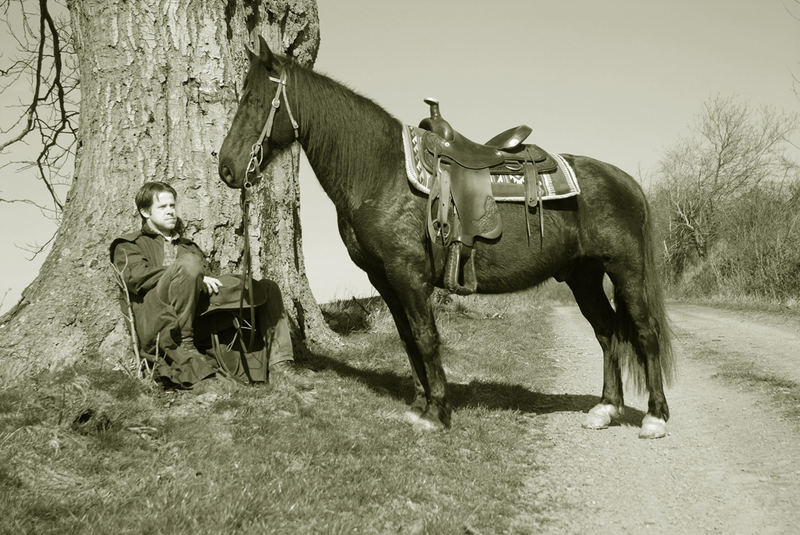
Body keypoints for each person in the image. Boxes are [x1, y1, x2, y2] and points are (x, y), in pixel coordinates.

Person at [109, 181, 309, 388]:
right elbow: (136, 278)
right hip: (162, 317)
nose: (170, 212)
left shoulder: (189, 247)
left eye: (172, 206)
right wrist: (189, 272)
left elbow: (207, 281)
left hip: (199, 312)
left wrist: (206, 278)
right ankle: (186, 348)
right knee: (189, 264)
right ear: (145, 212)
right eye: (162, 207)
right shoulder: (129, 244)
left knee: (267, 288)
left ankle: (281, 365)